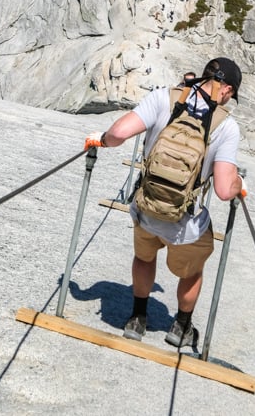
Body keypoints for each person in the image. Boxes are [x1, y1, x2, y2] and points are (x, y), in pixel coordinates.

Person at [85, 56, 246, 349]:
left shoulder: (164, 98)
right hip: (185, 222)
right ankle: (181, 328)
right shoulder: (227, 126)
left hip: (147, 207)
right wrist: (239, 184)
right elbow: (224, 189)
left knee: (144, 257)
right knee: (192, 271)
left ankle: (137, 319)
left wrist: (102, 141)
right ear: (228, 90)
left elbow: (119, 133)